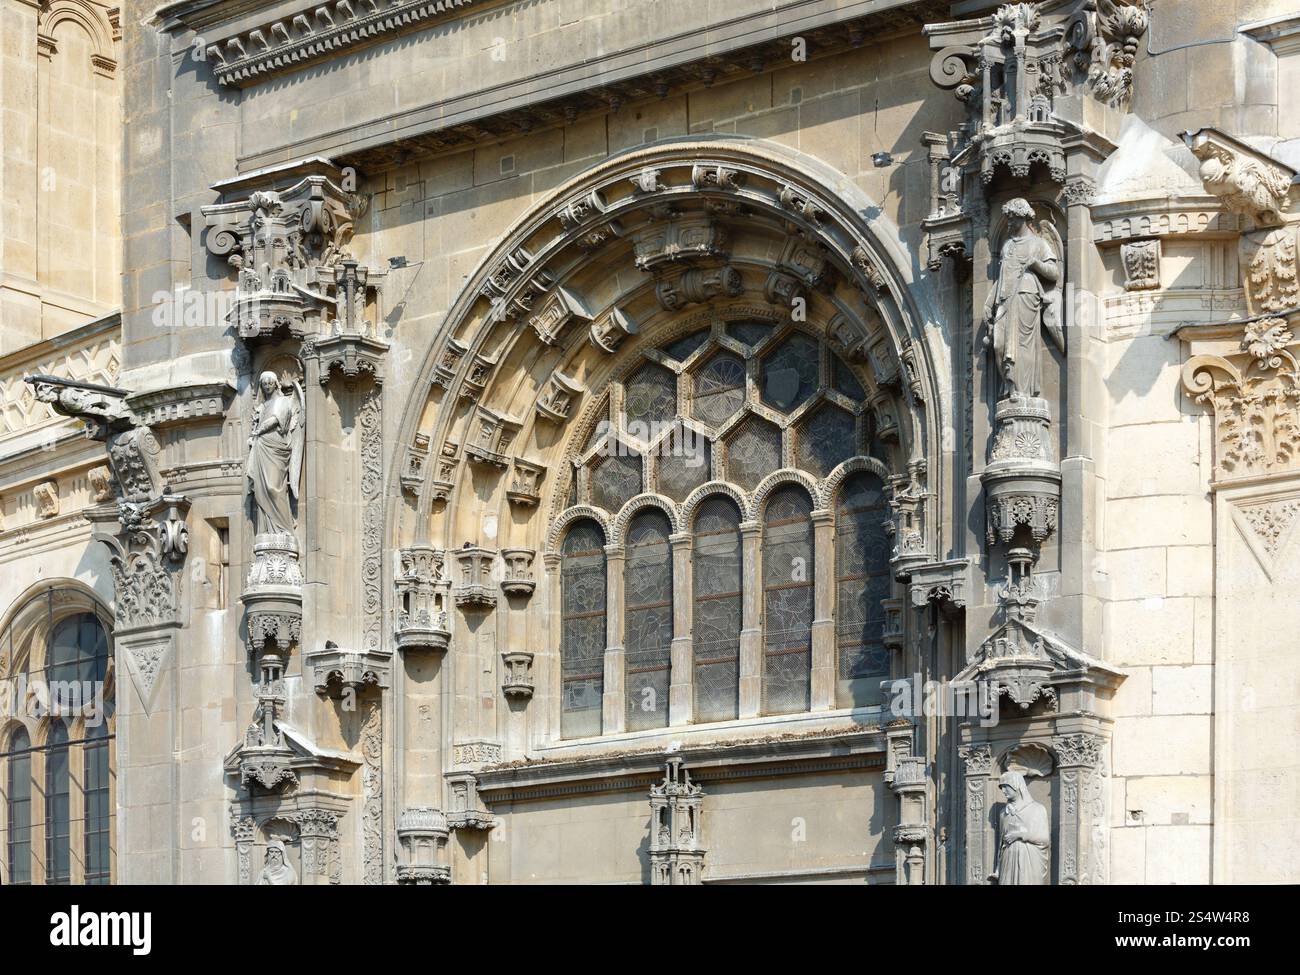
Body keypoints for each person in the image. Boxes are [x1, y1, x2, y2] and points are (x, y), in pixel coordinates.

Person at [984, 198, 1064, 401]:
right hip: (1004, 298)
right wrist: (989, 301)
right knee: (999, 344)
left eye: (1013, 219)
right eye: (1008, 219)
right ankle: (1009, 384)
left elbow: (1054, 273)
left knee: (1021, 345)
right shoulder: (1007, 245)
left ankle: (1023, 390)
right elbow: (1003, 275)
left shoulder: (1039, 244)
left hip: (1026, 295)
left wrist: (1035, 263)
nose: (1009, 223)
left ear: (1024, 219)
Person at [246, 371, 303, 535]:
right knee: (261, 488)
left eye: (270, 383)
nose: (267, 386)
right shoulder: (262, 407)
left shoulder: (283, 401)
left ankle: (284, 527)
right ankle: (267, 529)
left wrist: (258, 431)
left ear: (275, 384)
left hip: (276, 446)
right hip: (262, 446)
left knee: (273, 487)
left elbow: (277, 420)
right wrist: (256, 435)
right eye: (264, 384)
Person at [990, 769, 1050, 885]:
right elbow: (1001, 845)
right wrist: (998, 869)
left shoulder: (1037, 809)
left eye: (1006, 786)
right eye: (1001, 787)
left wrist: (1020, 835)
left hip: (1029, 860)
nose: (1003, 790)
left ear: (1016, 785)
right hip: (1008, 860)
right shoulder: (1004, 813)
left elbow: (1044, 839)